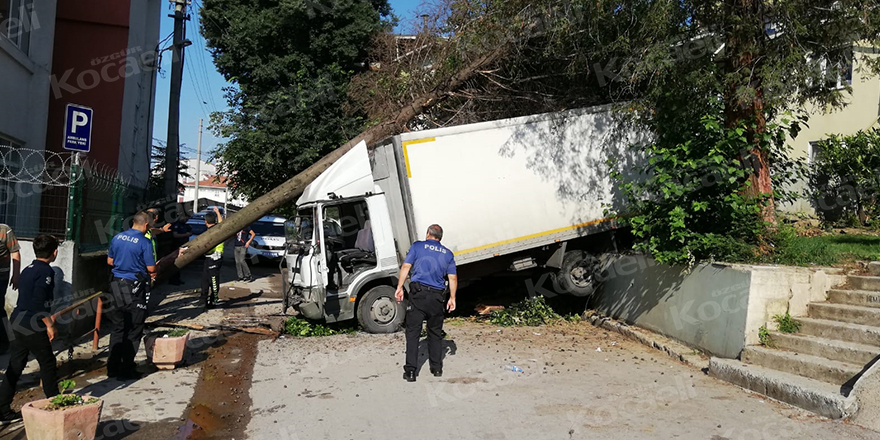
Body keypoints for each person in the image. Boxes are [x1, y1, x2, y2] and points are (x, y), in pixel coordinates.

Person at [0, 234, 60, 424]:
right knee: (48, 363)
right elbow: (39, 304)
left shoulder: (28, 269)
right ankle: (55, 405)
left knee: (15, 365)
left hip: (17, 319)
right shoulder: (45, 272)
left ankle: (2, 410)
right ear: (55, 253)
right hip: (31, 323)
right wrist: (50, 325)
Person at [395, 224, 457, 382]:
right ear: (439, 237)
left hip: (418, 295)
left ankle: (410, 371)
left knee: (413, 333)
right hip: (436, 298)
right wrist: (452, 298)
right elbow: (452, 278)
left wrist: (400, 287)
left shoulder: (417, 246)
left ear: (428, 234)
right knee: (435, 333)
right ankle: (436, 368)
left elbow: (406, 267)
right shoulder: (448, 254)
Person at [106, 211, 156, 381]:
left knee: (118, 327)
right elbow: (151, 269)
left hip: (115, 285)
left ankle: (112, 367)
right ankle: (126, 369)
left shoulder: (118, 237)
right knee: (134, 329)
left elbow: (110, 261)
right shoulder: (145, 242)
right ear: (146, 225)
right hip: (134, 287)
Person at [0, 224, 20, 354]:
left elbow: (15, 252)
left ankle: (3, 343)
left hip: (1, 275)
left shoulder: (5, 230)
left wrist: (16, 275)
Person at [202, 207, 224, 309]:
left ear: (206, 222)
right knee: (206, 279)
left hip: (215, 257)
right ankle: (204, 299)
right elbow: (221, 222)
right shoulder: (219, 228)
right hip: (210, 258)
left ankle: (214, 300)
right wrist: (218, 212)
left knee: (213, 280)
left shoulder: (210, 232)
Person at [169, 213, 193, 286]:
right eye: (186, 218)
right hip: (176, 246)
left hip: (182, 245)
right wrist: (186, 234)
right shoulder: (177, 225)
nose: (186, 220)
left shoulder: (185, 225)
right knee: (175, 264)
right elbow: (175, 235)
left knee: (179, 265)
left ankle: (177, 279)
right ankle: (173, 280)